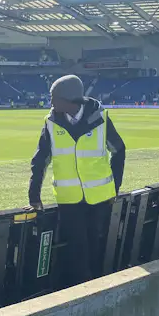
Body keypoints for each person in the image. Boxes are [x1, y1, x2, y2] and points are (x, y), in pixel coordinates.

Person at [29, 75, 126, 286]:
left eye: (54, 97)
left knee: (95, 243)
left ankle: (95, 287)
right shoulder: (51, 123)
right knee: (77, 247)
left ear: (70, 100)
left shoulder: (100, 118)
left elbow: (119, 150)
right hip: (69, 200)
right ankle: (84, 291)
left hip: (99, 198)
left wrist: (114, 187)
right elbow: (39, 160)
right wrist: (34, 196)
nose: (51, 102)